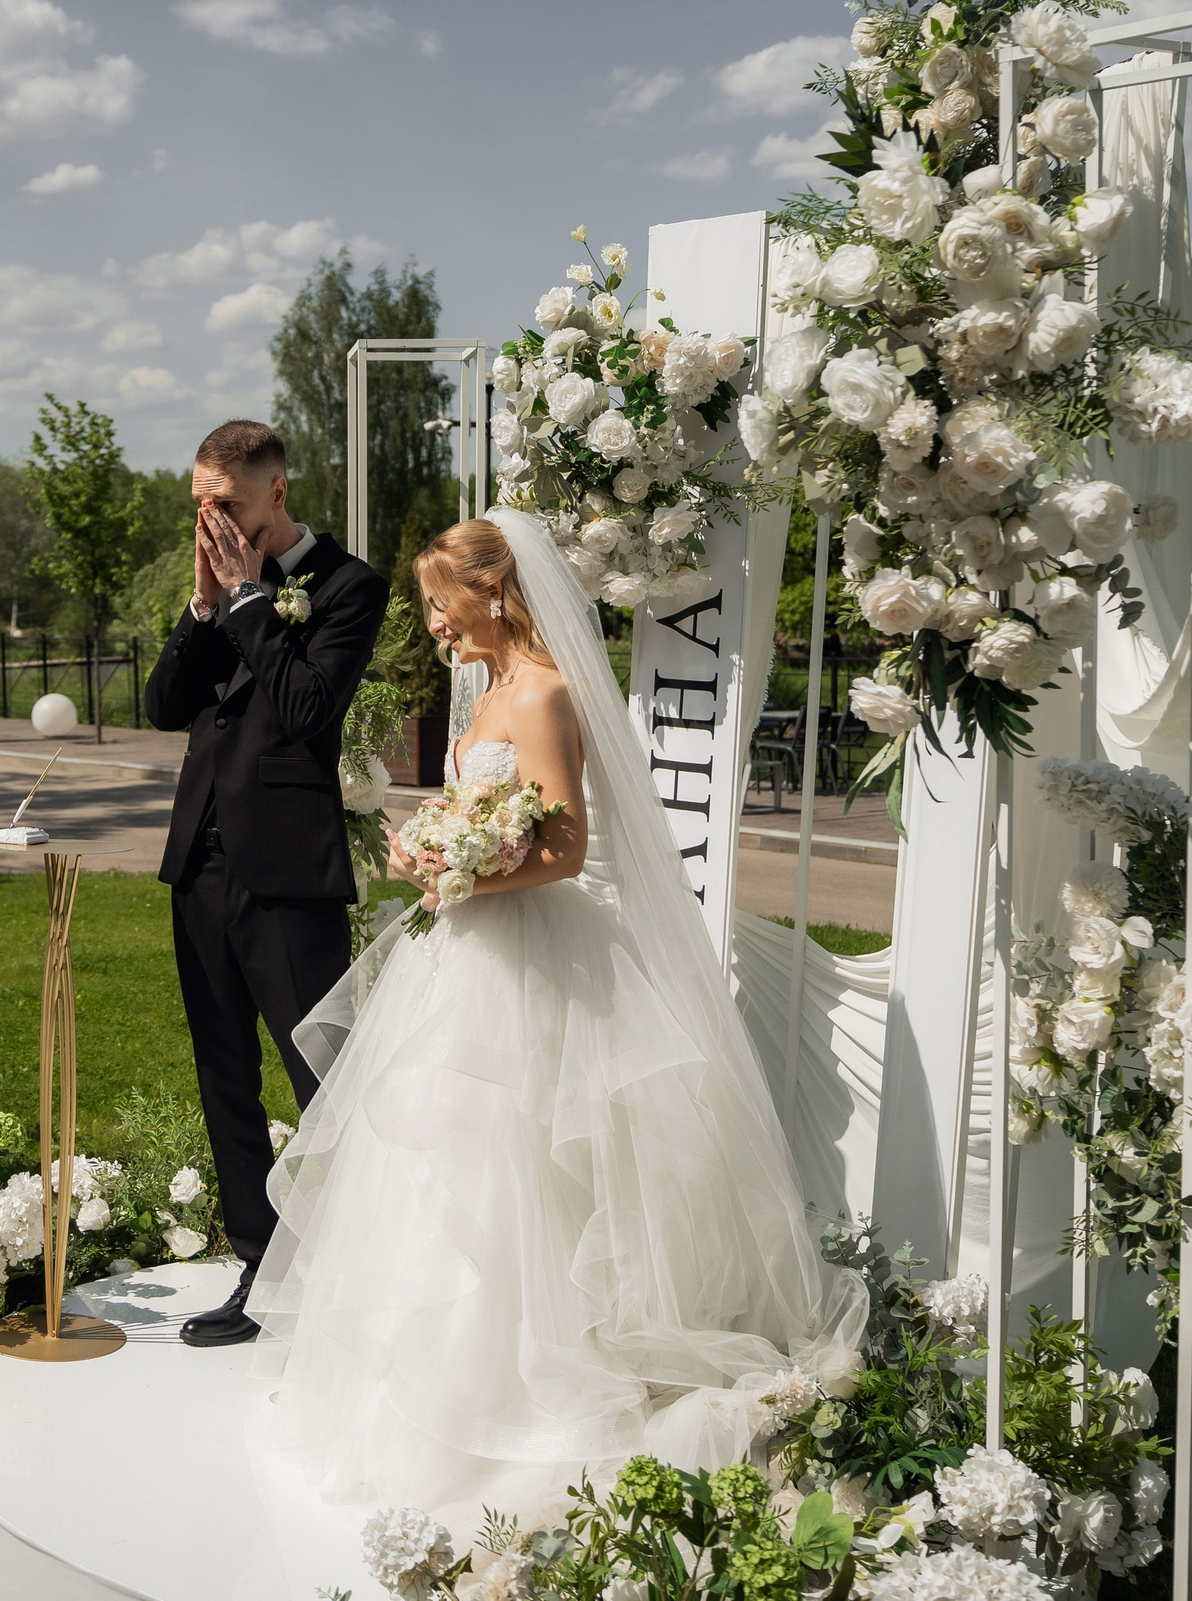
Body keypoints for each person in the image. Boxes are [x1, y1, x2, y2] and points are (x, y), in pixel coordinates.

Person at [244, 514, 864, 1522]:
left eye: (442, 606)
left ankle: (538, 1395)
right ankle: (424, 1393)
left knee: (529, 1165)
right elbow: (478, 817)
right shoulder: (488, 692)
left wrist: (462, 868)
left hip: (533, 957)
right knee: (442, 1169)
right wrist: (425, 852)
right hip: (462, 952)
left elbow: (566, 849)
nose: (435, 626)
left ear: (494, 595)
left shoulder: (546, 694)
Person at [140, 418, 388, 1348]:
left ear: (275, 494)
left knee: (320, 1073)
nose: (211, 523)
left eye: (226, 506)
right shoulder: (220, 591)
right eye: (199, 506)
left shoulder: (349, 585)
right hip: (198, 869)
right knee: (224, 1075)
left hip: (289, 874)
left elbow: (304, 710)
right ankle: (261, 1261)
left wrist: (248, 598)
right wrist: (205, 608)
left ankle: (364, 1259)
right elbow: (165, 709)